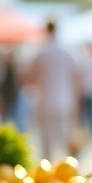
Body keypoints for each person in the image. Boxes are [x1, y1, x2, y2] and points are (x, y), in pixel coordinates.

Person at [23, 21, 80, 161]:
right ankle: (68, 171)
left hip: (45, 102)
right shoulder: (68, 51)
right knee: (65, 140)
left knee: (46, 144)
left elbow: (30, 78)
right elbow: (76, 79)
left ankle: (49, 175)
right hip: (65, 102)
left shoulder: (41, 51)